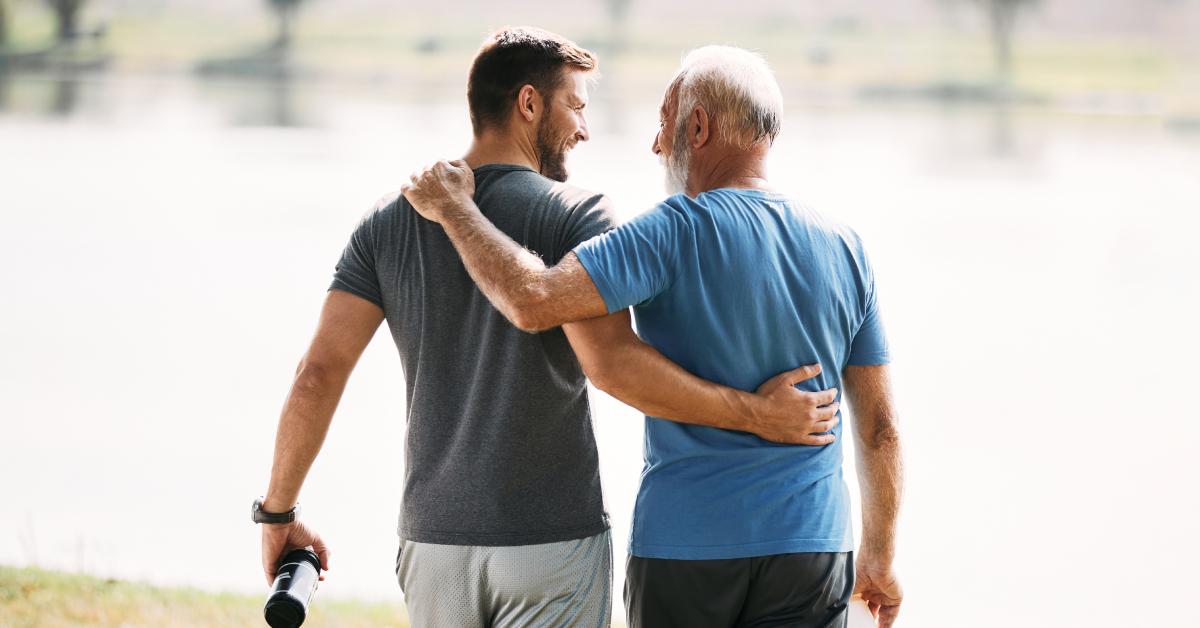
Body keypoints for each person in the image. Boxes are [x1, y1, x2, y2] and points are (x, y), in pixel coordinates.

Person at [254, 29, 842, 628]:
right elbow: (613, 364)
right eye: (576, 107)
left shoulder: (391, 218)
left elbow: (317, 374)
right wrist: (755, 413)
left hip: (433, 543)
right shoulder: (579, 214)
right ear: (529, 103)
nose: (584, 130)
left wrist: (278, 515)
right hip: (552, 540)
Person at [401, 45, 905, 628]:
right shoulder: (846, 247)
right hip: (812, 548)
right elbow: (880, 427)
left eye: (663, 122)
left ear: (698, 125)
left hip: (686, 546)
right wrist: (879, 556)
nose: (656, 143)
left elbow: (532, 300)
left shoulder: (669, 232)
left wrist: (456, 209)